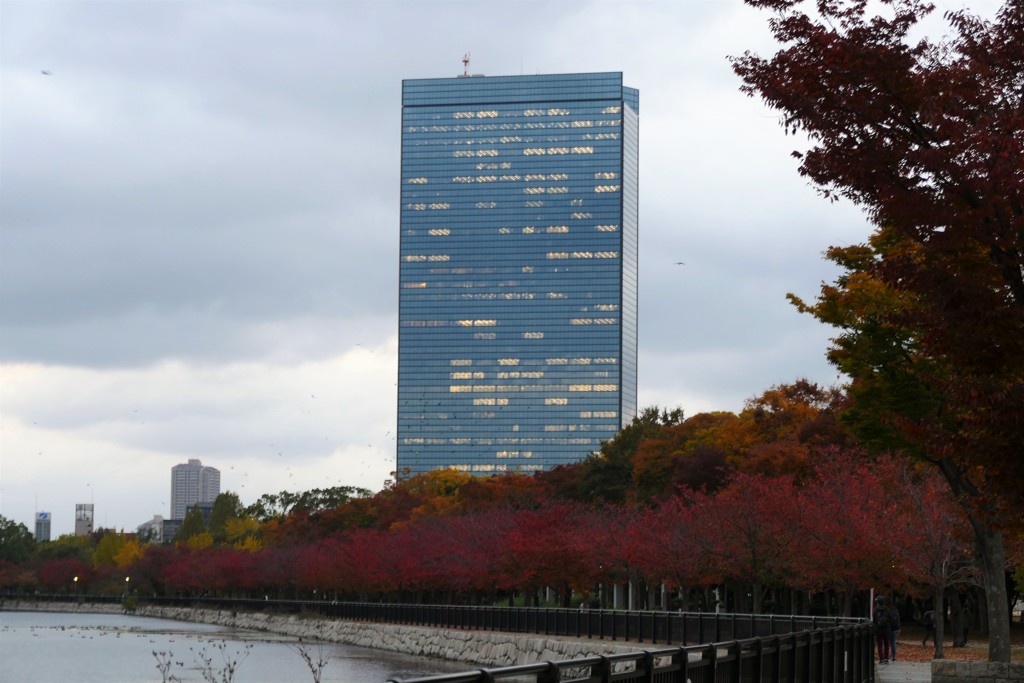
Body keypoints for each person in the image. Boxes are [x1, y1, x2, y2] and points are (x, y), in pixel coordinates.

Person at [873, 596, 892, 664]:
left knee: (880, 644)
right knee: (887, 644)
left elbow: (874, 620)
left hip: (878, 629)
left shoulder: (875, 610)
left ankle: (881, 659)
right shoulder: (887, 609)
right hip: (886, 629)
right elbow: (890, 619)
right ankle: (886, 659)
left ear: (878, 602)